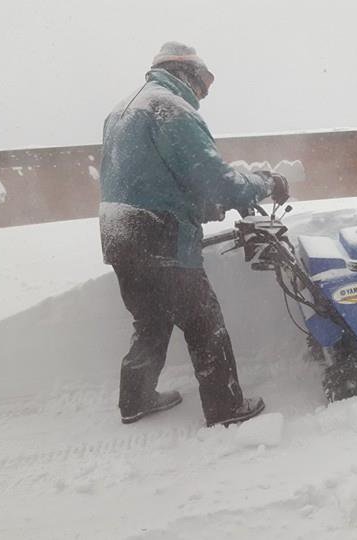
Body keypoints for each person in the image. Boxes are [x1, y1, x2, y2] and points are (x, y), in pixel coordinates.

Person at [98, 42, 289, 427]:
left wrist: (201, 205)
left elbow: (151, 178)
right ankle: (226, 408)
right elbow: (216, 181)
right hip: (161, 236)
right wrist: (266, 183)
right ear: (185, 72)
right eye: (202, 84)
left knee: (150, 320)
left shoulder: (122, 110)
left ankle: (135, 399)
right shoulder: (170, 109)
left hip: (119, 231)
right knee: (205, 324)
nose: (202, 94)